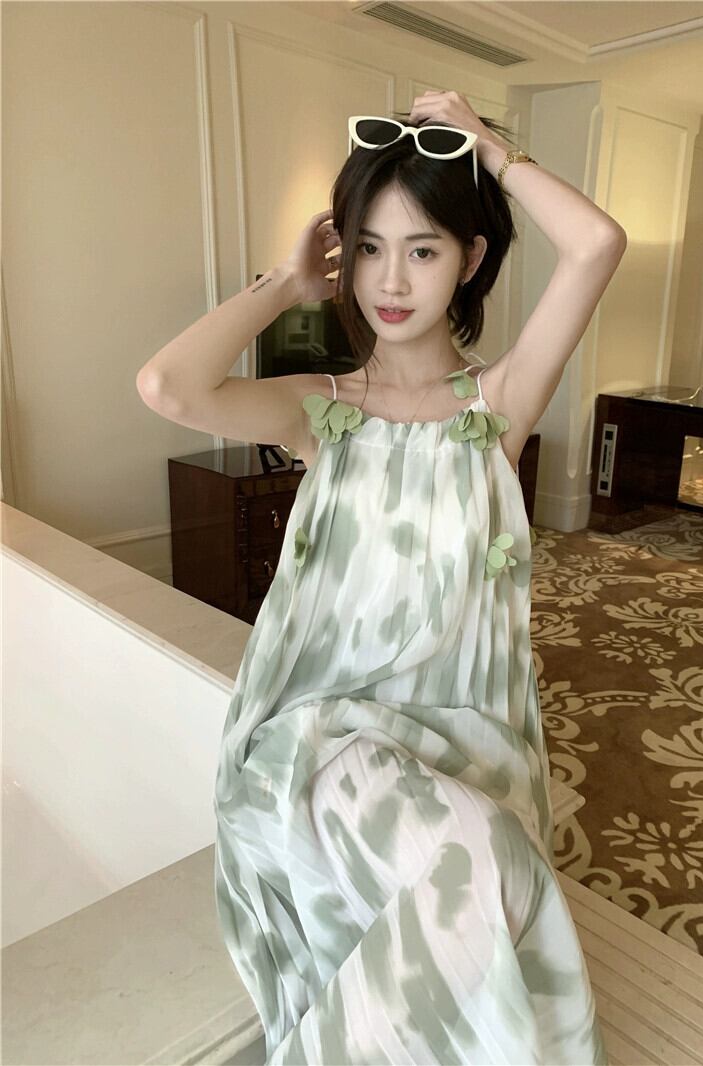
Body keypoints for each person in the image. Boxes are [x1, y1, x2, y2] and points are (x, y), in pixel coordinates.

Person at [138, 90, 625, 1065]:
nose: (389, 280)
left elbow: (596, 244)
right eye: (367, 247)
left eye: (422, 249)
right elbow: (167, 386)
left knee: (496, 873)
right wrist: (284, 283)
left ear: (470, 260)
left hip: (471, 742)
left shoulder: (496, 404)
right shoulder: (321, 408)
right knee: (472, 860)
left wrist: (488, 146)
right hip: (330, 738)